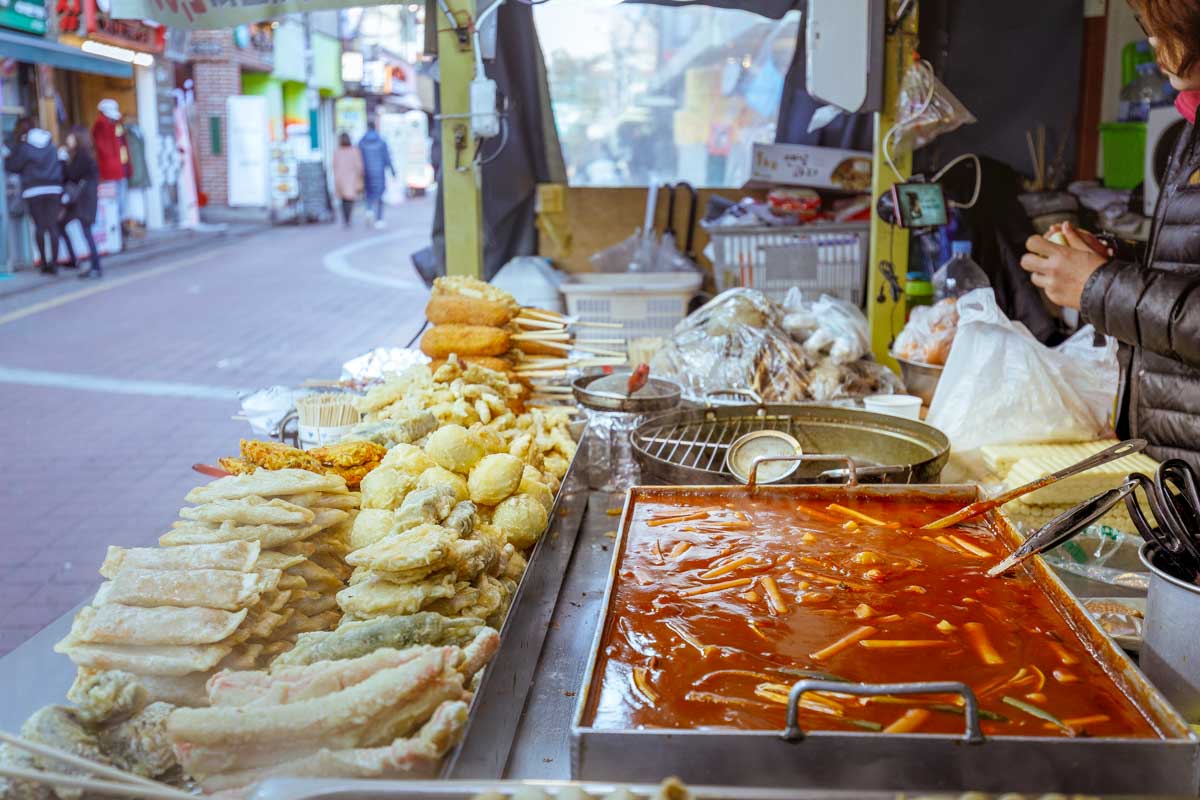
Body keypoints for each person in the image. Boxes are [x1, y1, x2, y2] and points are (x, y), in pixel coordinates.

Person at [1020, 0, 1200, 471]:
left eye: (1164, 25)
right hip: (1177, 464)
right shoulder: (1192, 125)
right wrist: (1112, 261)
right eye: (1148, 25)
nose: (1154, 42)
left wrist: (1098, 286)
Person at [3, 118, 64, 274]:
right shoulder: (51, 146)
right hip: (53, 189)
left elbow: (13, 166)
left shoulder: (25, 147)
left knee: (40, 227)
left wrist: (7, 156)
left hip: (34, 190)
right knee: (53, 226)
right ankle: (55, 264)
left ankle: (44, 263)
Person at [61, 125, 102, 279]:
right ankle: (90, 264)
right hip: (85, 198)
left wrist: (64, 160)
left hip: (84, 200)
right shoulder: (85, 154)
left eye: (70, 136)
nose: (67, 139)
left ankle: (95, 267)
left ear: (77, 138)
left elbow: (72, 175)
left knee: (87, 232)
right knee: (82, 231)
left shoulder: (82, 155)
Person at [358, 121, 395, 229]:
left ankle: (369, 210)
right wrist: (392, 171)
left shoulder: (361, 142)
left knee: (368, 193)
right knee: (379, 195)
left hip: (366, 172)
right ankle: (379, 219)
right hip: (379, 171)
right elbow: (387, 157)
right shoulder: (381, 141)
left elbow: (358, 158)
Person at [331, 131, 364, 228]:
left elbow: (333, 165)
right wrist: (361, 175)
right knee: (350, 199)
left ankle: (346, 219)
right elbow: (359, 165)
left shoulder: (337, 151)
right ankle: (348, 218)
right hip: (351, 178)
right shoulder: (354, 151)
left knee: (343, 200)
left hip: (340, 178)